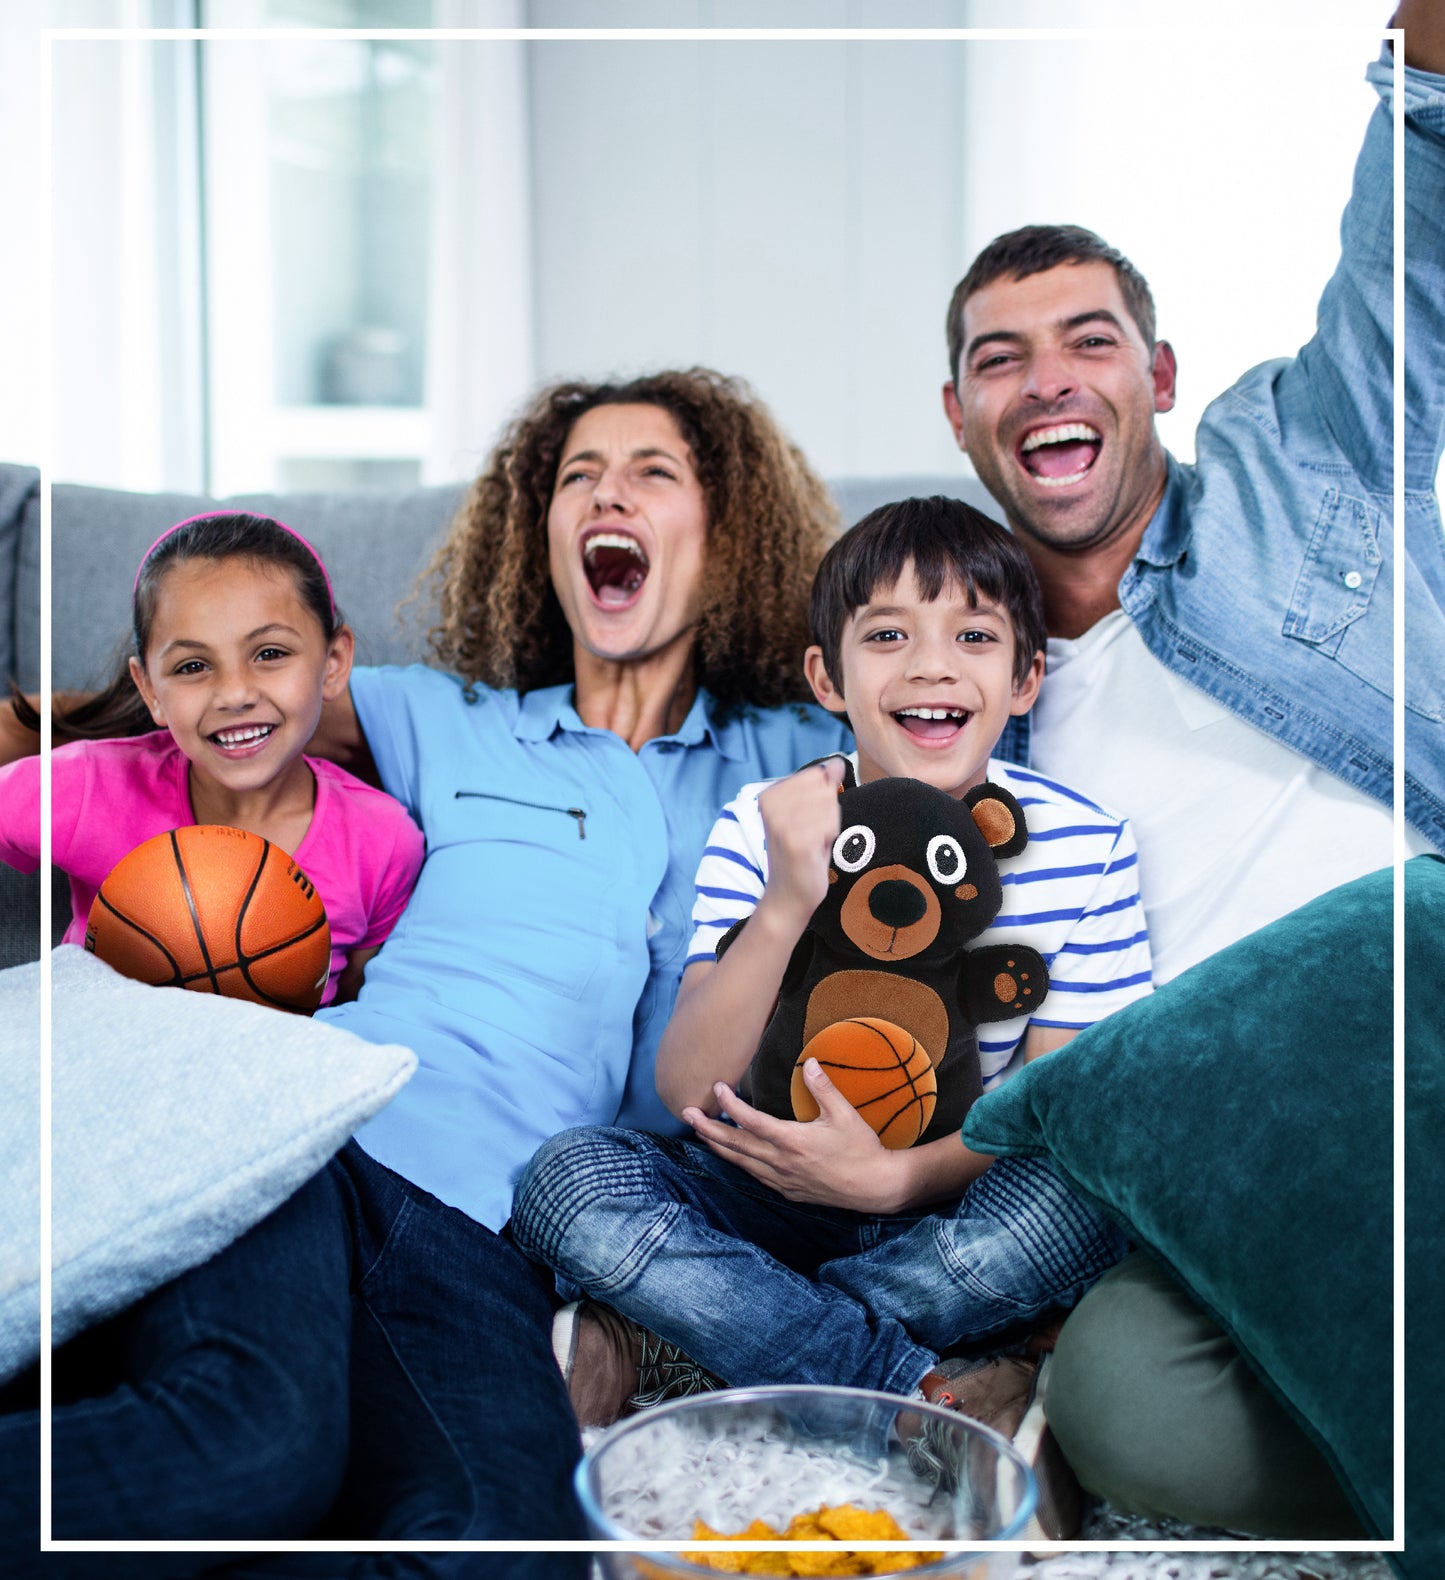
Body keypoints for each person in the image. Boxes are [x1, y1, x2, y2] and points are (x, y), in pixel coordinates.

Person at [655, 10, 1444, 1544]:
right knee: (1132, 1415)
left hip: (1400, 1033)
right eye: (996, 360)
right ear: (958, 419)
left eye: (1088, 342)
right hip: (1168, 1168)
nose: (1045, 381)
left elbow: (1410, 251)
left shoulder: (1303, 483)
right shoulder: (947, 700)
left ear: (1155, 374)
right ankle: (937, 1358)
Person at [0, 368, 852, 1577]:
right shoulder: (442, 716)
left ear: (726, 531)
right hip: (311, 1140)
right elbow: (231, 687)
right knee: (246, 1447)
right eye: (577, 478)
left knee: (508, 1552)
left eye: (652, 472)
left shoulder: (797, 758)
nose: (607, 492)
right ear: (541, 531)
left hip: (488, 1247)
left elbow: (959, 699)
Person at [512, 497, 1151, 1502]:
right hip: (756, 1192)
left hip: (950, 1205)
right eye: (887, 634)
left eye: (973, 635)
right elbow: (687, 1082)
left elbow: (1055, 1103)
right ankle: (908, 1380)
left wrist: (893, 1181)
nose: (931, 665)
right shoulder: (766, 823)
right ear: (828, 676)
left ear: (1024, 677)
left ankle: (689, 1330)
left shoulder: (1086, 842)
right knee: (564, 1180)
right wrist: (785, 898)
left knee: (1092, 1196)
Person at [0, 512, 424, 1005]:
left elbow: (368, 1010)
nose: (235, 693)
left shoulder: (384, 840)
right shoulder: (86, 785)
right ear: (150, 691)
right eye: (193, 666)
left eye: (269, 653)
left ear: (333, 665)